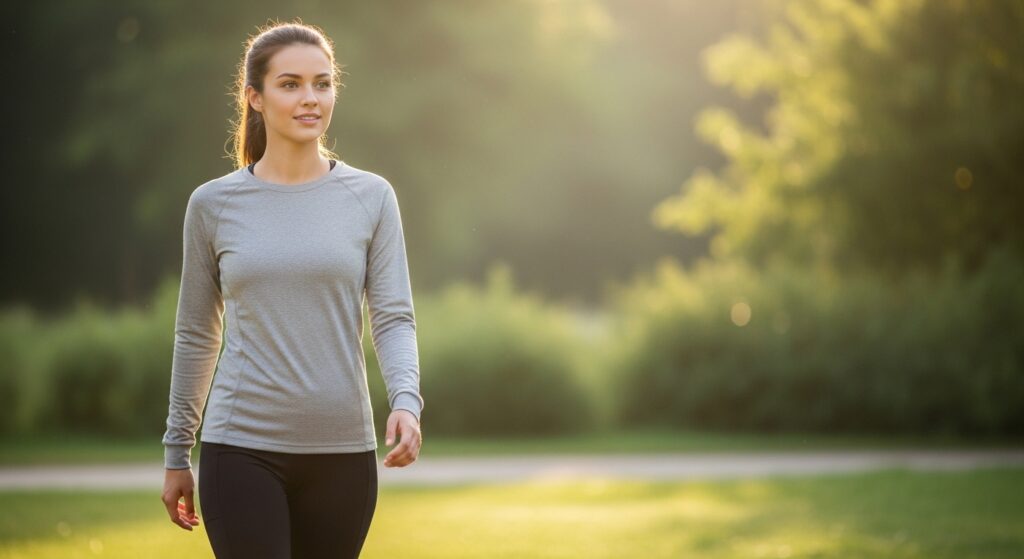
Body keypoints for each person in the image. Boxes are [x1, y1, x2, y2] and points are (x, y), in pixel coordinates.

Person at [159, 20, 424, 558]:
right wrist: (176, 452)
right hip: (239, 448)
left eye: (322, 84)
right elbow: (196, 333)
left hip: (344, 451)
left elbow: (393, 316)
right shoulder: (213, 205)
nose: (311, 99)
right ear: (254, 98)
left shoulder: (371, 197)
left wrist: (406, 401)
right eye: (291, 84)